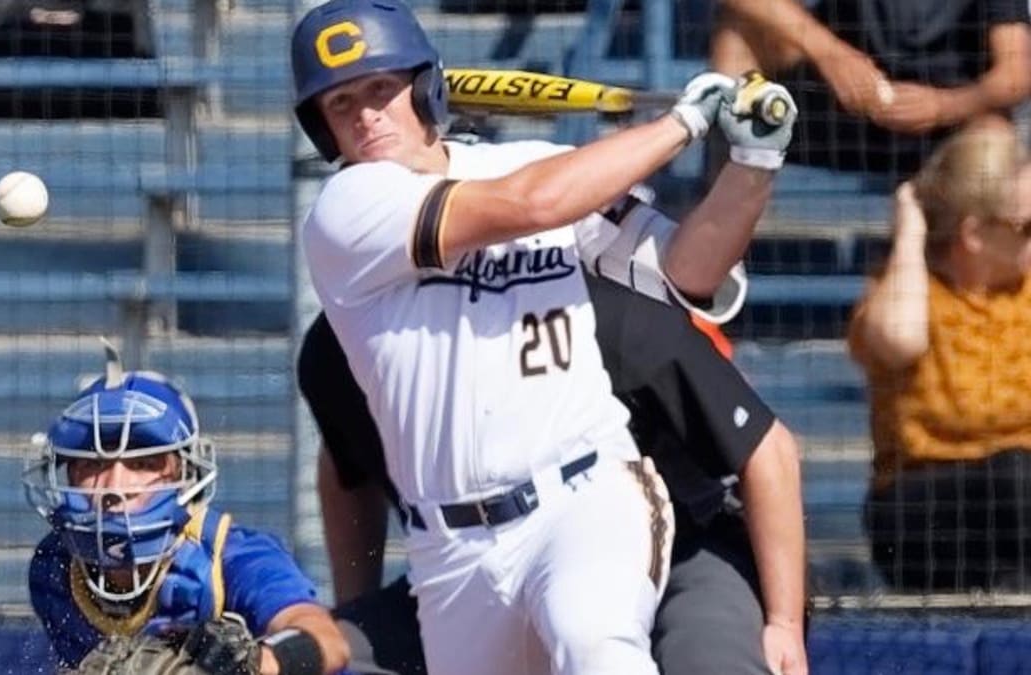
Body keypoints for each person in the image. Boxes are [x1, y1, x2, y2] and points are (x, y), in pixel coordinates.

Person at [292, 0, 797, 671]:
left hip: (584, 497)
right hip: (450, 549)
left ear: (423, 88)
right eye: (341, 102)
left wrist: (753, 162)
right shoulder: (347, 211)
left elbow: (688, 271)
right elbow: (530, 204)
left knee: (597, 645)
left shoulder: (539, 162)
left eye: (381, 89)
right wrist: (683, 123)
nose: (364, 115)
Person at [307, 277, 810, 675]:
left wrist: (784, 624)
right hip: (476, 568)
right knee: (333, 656)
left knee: (705, 662)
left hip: (686, 545)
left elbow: (769, 449)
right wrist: (356, 601)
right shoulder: (339, 349)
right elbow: (346, 467)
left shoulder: (593, 311)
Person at [22, 341, 350, 673]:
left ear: (185, 474)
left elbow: (326, 639)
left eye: (144, 463)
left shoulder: (231, 557)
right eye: (93, 464)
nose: (114, 486)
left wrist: (255, 663)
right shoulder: (55, 568)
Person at [848, 122, 1031, 592]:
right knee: (1016, 476)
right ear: (973, 234)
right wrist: (909, 231)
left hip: (1019, 512)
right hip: (923, 514)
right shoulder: (905, 291)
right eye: (1026, 228)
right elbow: (899, 339)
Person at [711, 0, 1031, 178]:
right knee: (738, 32)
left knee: (996, 140)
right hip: (840, 109)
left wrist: (942, 107)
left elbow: (1017, 72)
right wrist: (829, 52)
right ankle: (727, 218)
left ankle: (981, 292)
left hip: (945, 134)